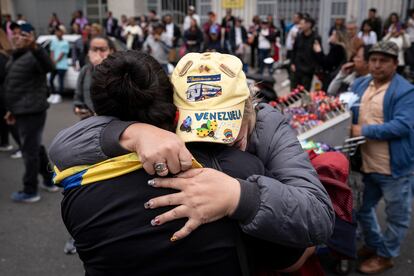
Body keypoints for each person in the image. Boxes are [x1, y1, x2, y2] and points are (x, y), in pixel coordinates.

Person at [51, 51, 316, 275]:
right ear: (171, 106)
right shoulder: (237, 172)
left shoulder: (75, 188)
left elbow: (60, 147)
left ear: (97, 113)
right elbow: (292, 256)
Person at [350, 41, 414, 274]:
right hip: (367, 164)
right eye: (373, 60)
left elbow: (403, 125)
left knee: (397, 216)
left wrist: (362, 130)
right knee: (362, 209)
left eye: (384, 61)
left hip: (394, 167)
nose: (377, 65)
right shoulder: (360, 84)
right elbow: (342, 105)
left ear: (395, 64)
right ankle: (375, 244)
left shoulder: (405, 91)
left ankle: (386, 256)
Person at [4, 27, 58, 203]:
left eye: (22, 34)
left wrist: (35, 47)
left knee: (29, 151)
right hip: (19, 109)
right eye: (15, 34)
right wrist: (10, 109)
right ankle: (50, 180)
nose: (17, 37)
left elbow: (50, 67)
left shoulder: (34, 54)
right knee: (34, 147)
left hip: (32, 110)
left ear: (31, 37)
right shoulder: (15, 55)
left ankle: (30, 190)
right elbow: (14, 85)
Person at [73, 36, 116, 120]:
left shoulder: (116, 71)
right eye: (94, 49)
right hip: (89, 121)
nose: (98, 53)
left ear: (111, 51)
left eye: (102, 50)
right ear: (88, 52)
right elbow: (78, 96)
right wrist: (78, 108)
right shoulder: (85, 70)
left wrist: (100, 68)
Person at [290, 16, 321, 90]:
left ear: (309, 24)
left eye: (302, 24)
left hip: (308, 70)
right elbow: (294, 50)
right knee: (293, 92)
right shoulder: (299, 36)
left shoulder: (316, 38)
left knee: (305, 93)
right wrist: (292, 63)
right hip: (297, 68)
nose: (300, 26)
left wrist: (315, 68)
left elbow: (318, 55)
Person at [48, 25, 70, 104]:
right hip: (54, 64)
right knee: (51, 79)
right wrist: (52, 60)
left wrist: (55, 61)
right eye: (56, 31)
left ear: (62, 32)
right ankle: (53, 94)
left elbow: (63, 54)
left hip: (62, 65)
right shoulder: (53, 41)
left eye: (59, 31)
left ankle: (59, 95)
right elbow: (52, 51)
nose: (57, 32)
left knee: (60, 81)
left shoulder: (65, 43)